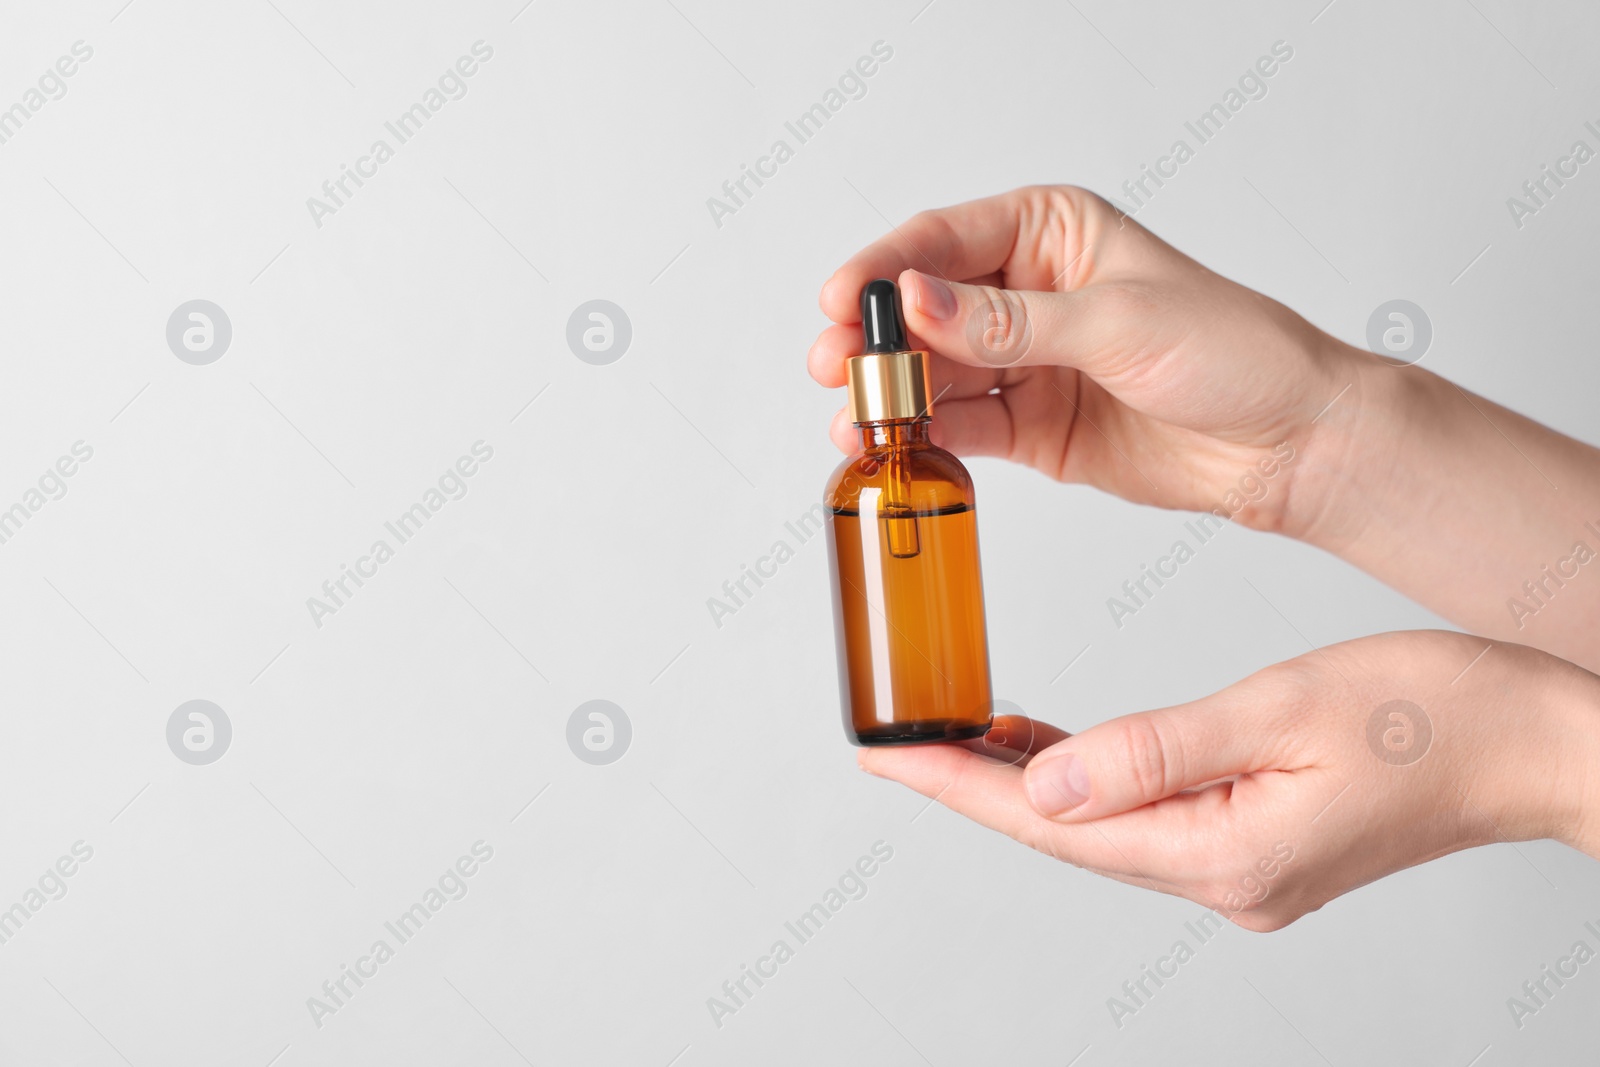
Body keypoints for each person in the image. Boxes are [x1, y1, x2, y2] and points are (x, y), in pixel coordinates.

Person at [807, 185, 1600, 931]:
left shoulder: (929, 477)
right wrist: (1307, 443)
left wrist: (1537, 752)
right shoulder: (895, 481)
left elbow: (1541, 748)